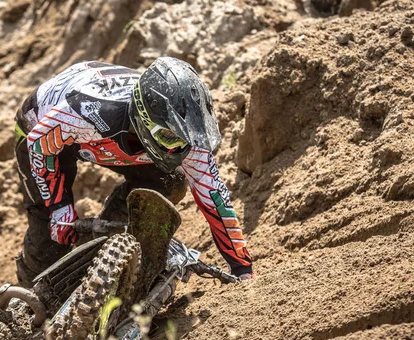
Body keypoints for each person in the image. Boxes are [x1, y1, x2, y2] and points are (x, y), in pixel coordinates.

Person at [13, 57, 253, 287]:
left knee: (169, 181)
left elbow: (216, 200)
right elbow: (38, 144)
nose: (179, 149)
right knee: (50, 235)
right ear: (143, 119)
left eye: (185, 139)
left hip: (104, 139)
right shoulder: (86, 112)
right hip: (43, 130)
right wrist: (59, 208)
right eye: (169, 137)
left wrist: (242, 269)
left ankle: (105, 245)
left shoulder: (189, 140)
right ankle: (27, 300)